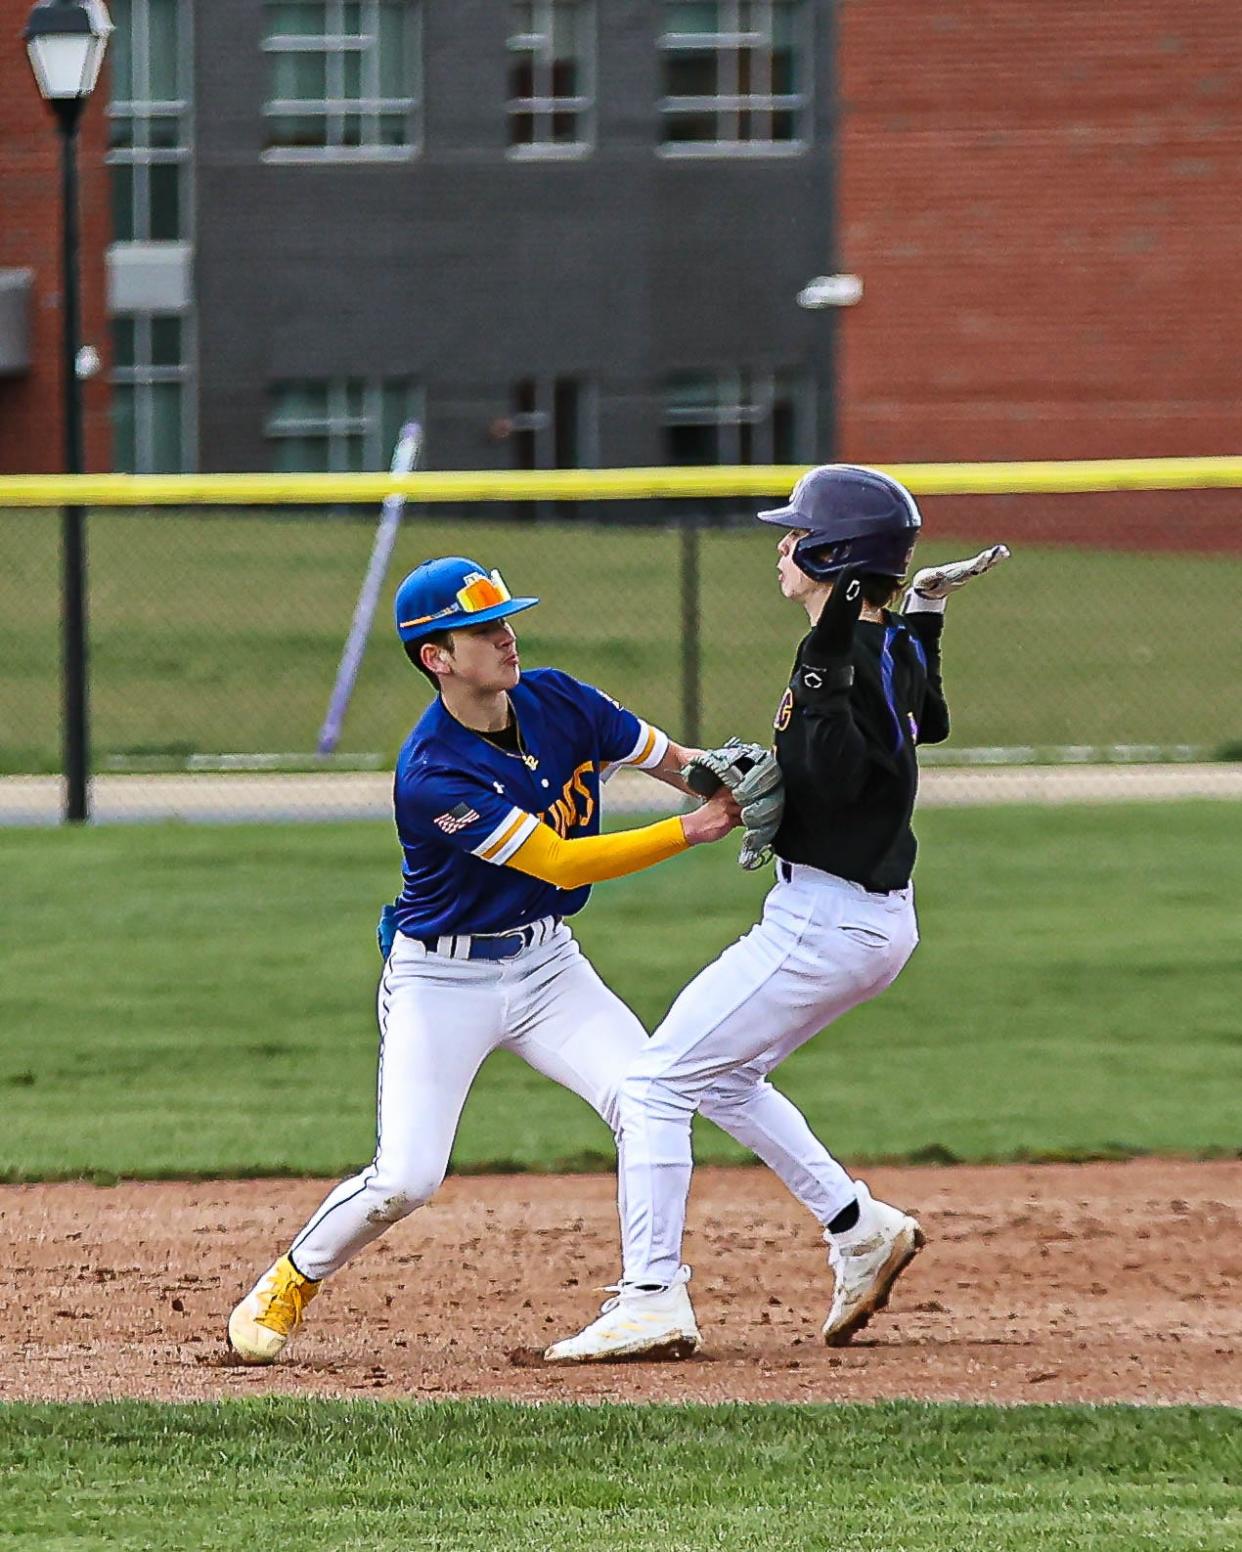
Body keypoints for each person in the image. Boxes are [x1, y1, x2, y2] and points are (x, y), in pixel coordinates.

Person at [227, 553, 760, 1364]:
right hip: (441, 980)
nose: (508, 638)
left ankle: (652, 1297)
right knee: (407, 1179)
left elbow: (673, 761)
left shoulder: (560, 699)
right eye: (482, 629)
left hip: (548, 967)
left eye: (506, 620)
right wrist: (694, 828)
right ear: (436, 657)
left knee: (648, 1098)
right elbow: (560, 862)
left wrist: (736, 778)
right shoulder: (434, 774)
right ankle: (290, 1280)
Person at [546, 466, 1010, 1363]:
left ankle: (651, 1298)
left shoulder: (832, 660)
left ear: (833, 556)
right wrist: (922, 613)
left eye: (797, 534)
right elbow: (929, 717)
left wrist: (801, 723)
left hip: (825, 923)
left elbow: (838, 771)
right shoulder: (883, 648)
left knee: (654, 1083)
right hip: (866, 920)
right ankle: (858, 1228)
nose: (781, 546)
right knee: (719, 1079)